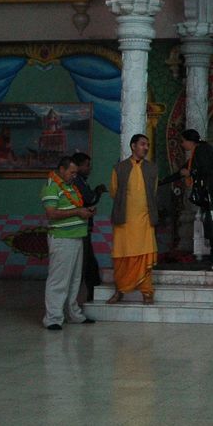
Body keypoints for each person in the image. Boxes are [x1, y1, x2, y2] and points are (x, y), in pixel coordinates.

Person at [168, 129, 213, 270]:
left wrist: (190, 173)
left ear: (190, 141)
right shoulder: (202, 151)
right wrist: (164, 181)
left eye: (183, 141)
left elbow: (203, 170)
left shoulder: (202, 150)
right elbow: (185, 171)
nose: (182, 145)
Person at [42, 155, 96, 330]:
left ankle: (73, 314)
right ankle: (53, 318)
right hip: (62, 238)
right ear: (62, 170)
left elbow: (74, 207)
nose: (74, 175)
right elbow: (51, 213)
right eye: (72, 172)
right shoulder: (52, 187)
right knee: (59, 280)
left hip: (76, 236)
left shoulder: (71, 187)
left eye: (76, 172)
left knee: (74, 279)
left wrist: (85, 211)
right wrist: (77, 213)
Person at [107, 134, 159, 305]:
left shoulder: (152, 169)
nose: (146, 148)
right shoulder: (119, 168)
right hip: (124, 221)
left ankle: (146, 292)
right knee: (122, 256)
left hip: (144, 220)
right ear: (133, 146)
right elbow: (114, 192)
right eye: (143, 144)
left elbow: (154, 192)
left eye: (148, 145)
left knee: (144, 256)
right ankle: (120, 290)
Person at [72, 152, 106, 303]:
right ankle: (92, 294)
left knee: (88, 263)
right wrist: (97, 192)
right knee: (86, 263)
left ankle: (93, 293)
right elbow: (89, 198)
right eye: (87, 165)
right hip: (79, 228)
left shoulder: (81, 181)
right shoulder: (77, 181)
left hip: (82, 227)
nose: (89, 168)